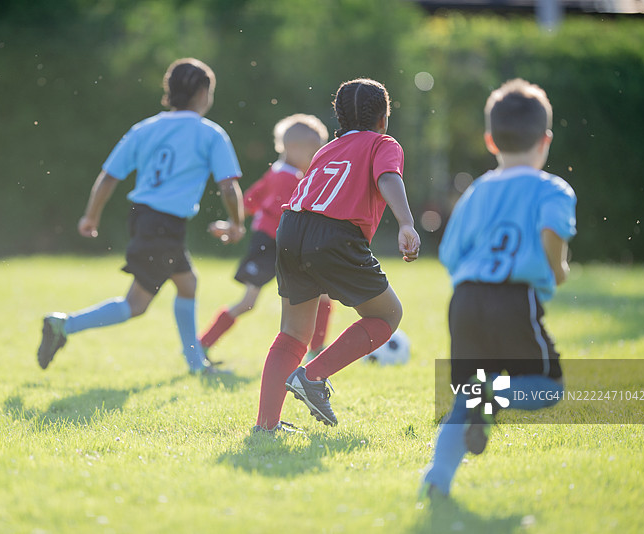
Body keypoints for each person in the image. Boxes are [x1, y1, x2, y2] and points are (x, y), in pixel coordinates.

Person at [420, 78, 576, 500]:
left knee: (466, 396)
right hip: (513, 298)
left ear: (490, 141)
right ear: (545, 141)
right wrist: (557, 269)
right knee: (548, 387)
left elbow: (450, 253)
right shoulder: (552, 188)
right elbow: (553, 231)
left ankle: (437, 478)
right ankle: (491, 396)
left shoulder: (476, 191)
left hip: (465, 300)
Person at [37, 58, 245, 374]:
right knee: (135, 305)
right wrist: (237, 224)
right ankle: (63, 325)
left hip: (145, 218)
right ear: (203, 93)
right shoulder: (210, 134)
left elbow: (109, 177)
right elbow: (228, 187)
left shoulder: (145, 128)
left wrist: (90, 216)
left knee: (188, 284)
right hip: (164, 224)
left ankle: (195, 363)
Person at [252, 78, 421, 433]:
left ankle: (266, 426)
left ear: (339, 119)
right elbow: (388, 177)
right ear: (383, 119)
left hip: (290, 227)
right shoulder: (383, 143)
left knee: (292, 333)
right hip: (335, 234)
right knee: (388, 314)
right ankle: (312, 376)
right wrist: (406, 223)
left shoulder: (328, 148)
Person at [200, 114, 333, 364]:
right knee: (248, 302)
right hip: (269, 244)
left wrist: (232, 224)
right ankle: (201, 344)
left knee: (323, 294)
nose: (317, 159)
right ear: (293, 148)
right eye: (313, 153)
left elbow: (249, 200)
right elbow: (301, 212)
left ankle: (317, 350)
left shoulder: (277, 172)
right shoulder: (287, 178)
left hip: (287, 245)